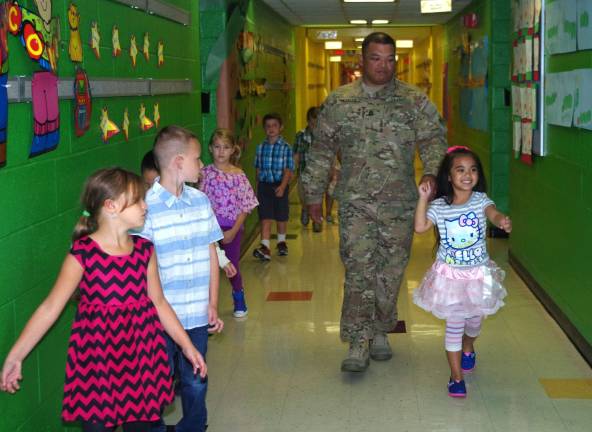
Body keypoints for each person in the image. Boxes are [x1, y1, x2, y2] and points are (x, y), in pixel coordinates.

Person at [0, 168, 206, 432]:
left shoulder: (145, 250)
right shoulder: (83, 254)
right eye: (138, 200)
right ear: (111, 206)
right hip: (98, 362)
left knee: (144, 427)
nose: (145, 206)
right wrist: (16, 356)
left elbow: (159, 303)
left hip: (143, 358)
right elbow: (50, 307)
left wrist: (187, 347)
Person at [301, 32, 448, 373]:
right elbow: (321, 149)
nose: (384, 66)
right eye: (376, 58)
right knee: (358, 270)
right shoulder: (339, 102)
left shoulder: (413, 101)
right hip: (354, 202)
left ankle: (381, 329)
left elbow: (434, 140)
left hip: (400, 204)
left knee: (392, 272)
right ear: (362, 60)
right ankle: (357, 339)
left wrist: (431, 174)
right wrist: (311, 196)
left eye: (389, 59)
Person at [139, 126, 224, 432]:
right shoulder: (144, 210)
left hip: (196, 314)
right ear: (177, 162)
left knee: (195, 381)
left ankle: (194, 427)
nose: (201, 165)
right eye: (197, 159)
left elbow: (211, 252)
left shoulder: (201, 201)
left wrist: (212, 302)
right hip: (159, 319)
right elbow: (139, 268)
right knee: (155, 386)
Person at [413, 146, 512, 397]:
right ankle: (456, 378)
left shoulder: (480, 200)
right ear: (448, 176)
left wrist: (500, 219)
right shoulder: (440, 206)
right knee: (454, 324)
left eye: (473, 169)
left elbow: (492, 211)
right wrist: (423, 199)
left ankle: (469, 347)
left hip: (478, 275)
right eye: (460, 170)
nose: (468, 175)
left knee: (475, 323)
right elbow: (421, 227)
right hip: (450, 278)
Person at [140, 149, 237, 280]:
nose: (152, 189)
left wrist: (222, 260)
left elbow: (208, 238)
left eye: (155, 183)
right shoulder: (146, 208)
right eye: (147, 184)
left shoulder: (194, 203)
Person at [200, 128, 258, 318]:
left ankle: (238, 294)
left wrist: (233, 231)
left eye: (225, 147)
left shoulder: (238, 175)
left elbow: (246, 205)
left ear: (233, 150)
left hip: (232, 227)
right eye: (217, 147)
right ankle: (208, 306)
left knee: (231, 265)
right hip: (210, 229)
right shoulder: (205, 174)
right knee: (209, 267)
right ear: (210, 149)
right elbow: (200, 202)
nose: (221, 151)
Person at [252, 113, 295, 260]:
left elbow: (288, 169)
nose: (271, 129)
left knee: (281, 217)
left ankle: (281, 242)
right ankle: (265, 247)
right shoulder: (260, 147)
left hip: (279, 185)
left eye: (274, 125)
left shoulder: (286, 147)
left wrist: (283, 186)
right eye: (268, 126)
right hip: (264, 186)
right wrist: (257, 189)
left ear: (280, 128)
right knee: (265, 217)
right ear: (264, 128)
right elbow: (257, 169)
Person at [293, 106, 318, 228]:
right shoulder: (300, 136)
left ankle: (317, 220)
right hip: (303, 172)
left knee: (317, 196)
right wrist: (293, 169)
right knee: (303, 196)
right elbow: (296, 155)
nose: (315, 126)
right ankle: (304, 209)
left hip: (319, 173)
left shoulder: (324, 136)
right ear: (308, 121)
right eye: (313, 123)